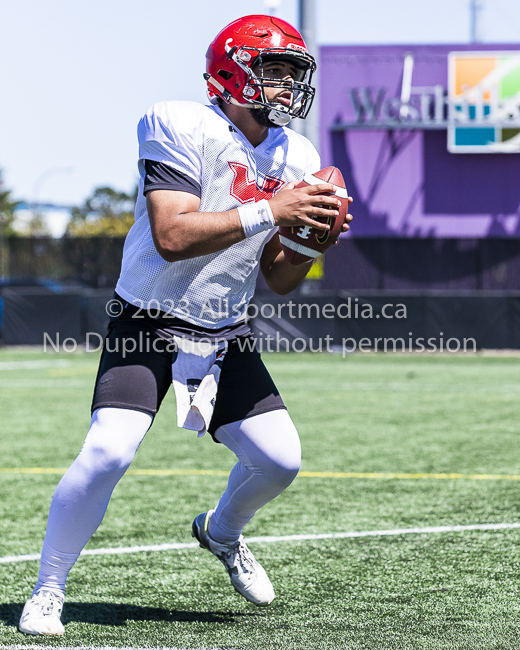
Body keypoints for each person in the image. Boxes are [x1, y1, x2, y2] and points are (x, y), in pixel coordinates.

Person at [18, 14, 352, 636]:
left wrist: (309, 243)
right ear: (230, 72)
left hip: (224, 329)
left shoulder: (296, 154)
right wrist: (273, 208)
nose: (286, 85)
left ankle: (221, 531)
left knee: (280, 461)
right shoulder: (178, 121)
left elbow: (277, 279)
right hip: (149, 317)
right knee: (108, 451)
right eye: (272, 71)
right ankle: (48, 589)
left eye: (292, 73)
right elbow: (173, 235)